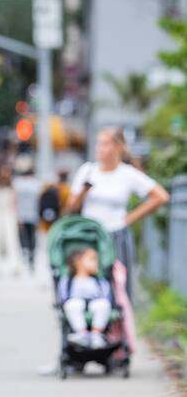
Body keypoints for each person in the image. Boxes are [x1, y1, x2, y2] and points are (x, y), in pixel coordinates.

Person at [67, 127, 169, 300]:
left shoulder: (127, 174)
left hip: (116, 235)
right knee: (89, 286)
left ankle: (118, 324)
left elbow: (161, 196)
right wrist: (84, 191)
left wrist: (129, 218)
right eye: (99, 144)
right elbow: (71, 206)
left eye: (106, 144)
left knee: (118, 288)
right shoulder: (88, 170)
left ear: (118, 147)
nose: (100, 148)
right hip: (89, 236)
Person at [58, 247, 112, 349]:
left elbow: (106, 294)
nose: (96, 263)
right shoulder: (68, 280)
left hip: (95, 303)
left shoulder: (99, 281)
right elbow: (64, 296)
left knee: (104, 305)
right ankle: (82, 333)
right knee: (72, 305)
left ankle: (96, 334)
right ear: (78, 262)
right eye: (92, 259)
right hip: (76, 302)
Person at [12, 156, 41, 271]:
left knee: (28, 237)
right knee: (28, 237)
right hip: (27, 214)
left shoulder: (18, 183)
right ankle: (28, 256)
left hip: (28, 214)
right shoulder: (34, 183)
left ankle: (29, 256)